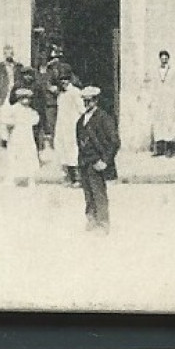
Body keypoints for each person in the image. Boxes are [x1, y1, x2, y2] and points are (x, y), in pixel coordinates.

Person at [75, 85, 121, 233]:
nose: (87, 104)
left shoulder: (103, 118)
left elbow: (114, 141)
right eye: (85, 101)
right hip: (84, 161)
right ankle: (91, 220)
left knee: (99, 193)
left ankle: (103, 224)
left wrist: (105, 161)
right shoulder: (80, 120)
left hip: (97, 162)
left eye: (90, 101)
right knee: (88, 194)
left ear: (96, 101)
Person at [1, 87, 42, 186]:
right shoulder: (14, 109)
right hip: (16, 135)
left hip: (27, 135)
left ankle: (30, 179)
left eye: (28, 98)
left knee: (29, 155)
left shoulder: (31, 111)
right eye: (23, 98)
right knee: (14, 156)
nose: (26, 101)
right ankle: (11, 178)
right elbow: (6, 120)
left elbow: (35, 120)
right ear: (19, 99)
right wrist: (10, 126)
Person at [148, 49, 175, 157]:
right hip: (158, 101)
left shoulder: (173, 72)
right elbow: (152, 87)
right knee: (158, 123)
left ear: (168, 59)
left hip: (169, 101)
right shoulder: (155, 72)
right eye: (162, 58)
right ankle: (159, 149)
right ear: (159, 59)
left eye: (166, 58)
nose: (164, 59)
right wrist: (151, 101)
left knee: (169, 124)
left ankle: (170, 149)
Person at [0, 45, 27, 147]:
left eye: (11, 53)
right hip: (4, 94)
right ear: (4, 54)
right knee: (3, 116)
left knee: (15, 114)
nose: (9, 55)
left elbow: (22, 80)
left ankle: (14, 137)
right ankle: (4, 139)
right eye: (7, 53)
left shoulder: (19, 66)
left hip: (15, 94)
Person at [55, 75, 84, 185]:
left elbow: (81, 109)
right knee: (63, 150)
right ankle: (67, 177)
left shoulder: (75, 92)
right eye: (61, 79)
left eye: (66, 79)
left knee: (73, 150)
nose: (63, 82)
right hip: (62, 126)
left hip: (72, 125)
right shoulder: (61, 94)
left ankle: (77, 178)